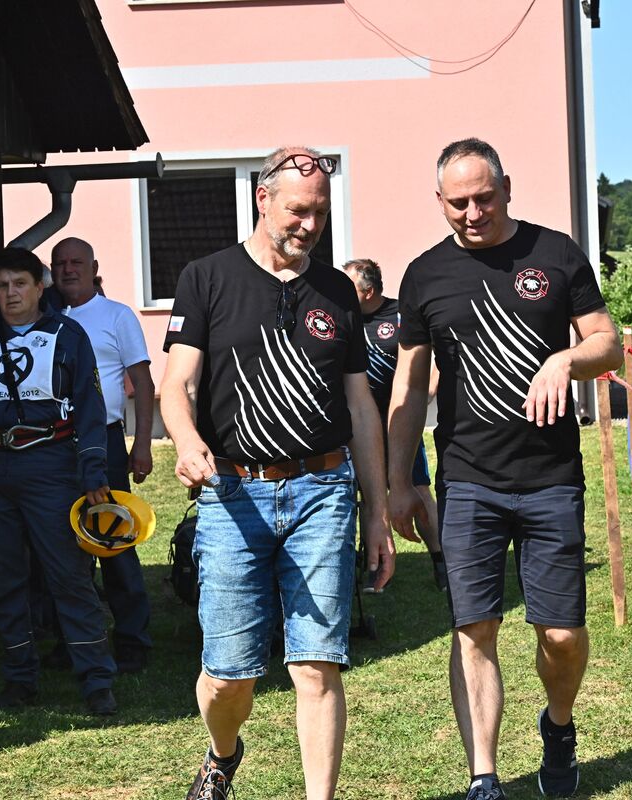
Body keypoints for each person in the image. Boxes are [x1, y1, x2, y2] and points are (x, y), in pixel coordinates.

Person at [387, 139, 623, 799]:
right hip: (467, 482)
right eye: (457, 202)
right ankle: (483, 776)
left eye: (484, 198)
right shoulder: (424, 275)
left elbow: (607, 343)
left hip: (551, 479)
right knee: (474, 629)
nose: (472, 213)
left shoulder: (555, 254)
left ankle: (559, 724)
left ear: (507, 189)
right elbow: (409, 386)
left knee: (562, 635)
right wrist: (398, 482)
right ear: (440, 202)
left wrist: (566, 360)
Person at [161, 145, 395, 800]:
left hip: (323, 490)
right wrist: (186, 441)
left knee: (317, 666)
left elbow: (360, 408)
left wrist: (377, 513)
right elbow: (176, 384)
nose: (309, 226)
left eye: (320, 213)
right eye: (297, 211)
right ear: (262, 199)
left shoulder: (338, 291)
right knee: (229, 676)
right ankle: (222, 752)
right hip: (233, 493)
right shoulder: (206, 278)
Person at [0, 247, 118, 715]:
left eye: (20, 283)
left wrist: (93, 472)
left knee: (69, 576)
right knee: (3, 581)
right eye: (2, 286)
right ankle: (20, 678)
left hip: (50, 468)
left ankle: (96, 680)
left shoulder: (69, 335)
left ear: (40, 287)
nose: (11, 293)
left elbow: (90, 408)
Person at [49, 236, 155, 674]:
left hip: (106, 442)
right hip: (53, 444)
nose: (68, 269)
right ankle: (72, 639)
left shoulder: (117, 315)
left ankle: (132, 640)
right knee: (63, 545)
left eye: (77, 262)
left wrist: (142, 444)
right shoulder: (45, 319)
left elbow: (142, 383)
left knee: (114, 539)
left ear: (94, 268)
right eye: (60, 263)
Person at [341, 258, 446, 592]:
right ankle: (373, 566)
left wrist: (429, 388)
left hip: (398, 421)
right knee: (363, 495)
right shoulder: (342, 316)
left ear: (369, 291)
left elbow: (440, 350)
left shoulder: (401, 314)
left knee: (418, 490)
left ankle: (442, 562)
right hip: (358, 426)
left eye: (349, 286)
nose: (342, 292)